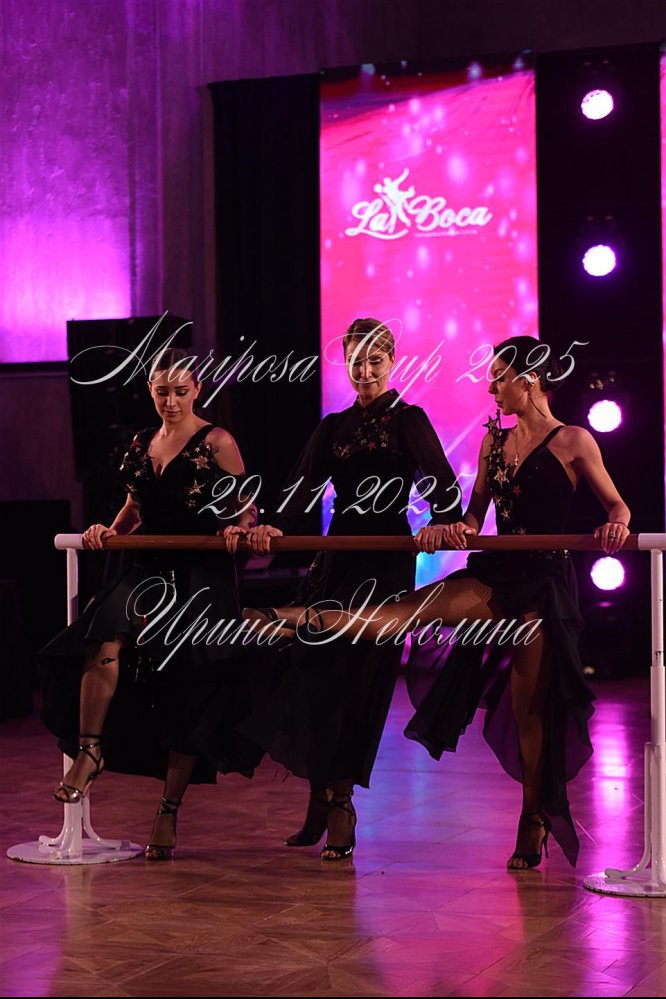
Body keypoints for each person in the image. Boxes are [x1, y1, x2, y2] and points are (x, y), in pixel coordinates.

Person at [252, 336, 631, 869]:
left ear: (529, 380)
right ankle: (285, 619)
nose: (491, 387)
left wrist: (617, 524)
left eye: (499, 377)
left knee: (527, 710)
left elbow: (617, 505)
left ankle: (533, 817)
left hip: (544, 585)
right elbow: (473, 518)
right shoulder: (493, 441)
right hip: (496, 576)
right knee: (397, 613)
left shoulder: (573, 440)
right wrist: (447, 527)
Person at [233, 318, 462, 859]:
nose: (364, 370)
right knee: (313, 677)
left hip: (384, 567)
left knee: (360, 683)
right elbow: (299, 491)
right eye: (355, 361)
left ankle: (341, 801)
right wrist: (272, 527)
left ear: (392, 361)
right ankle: (320, 795)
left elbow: (443, 487)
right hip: (335, 564)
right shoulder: (332, 427)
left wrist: (442, 522)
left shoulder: (409, 420)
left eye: (374, 360)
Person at [40, 348, 261, 859]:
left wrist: (240, 527)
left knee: (188, 688)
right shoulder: (142, 442)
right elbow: (134, 507)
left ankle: (168, 809)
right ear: (150, 391)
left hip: (200, 576)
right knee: (102, 637)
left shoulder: (218, 441)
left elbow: (246, 507)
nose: (171, 401)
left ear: (198, 389)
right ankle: (90, 750)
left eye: (181, 391)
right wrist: (107, 530)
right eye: (162, 391)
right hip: (147, 569)